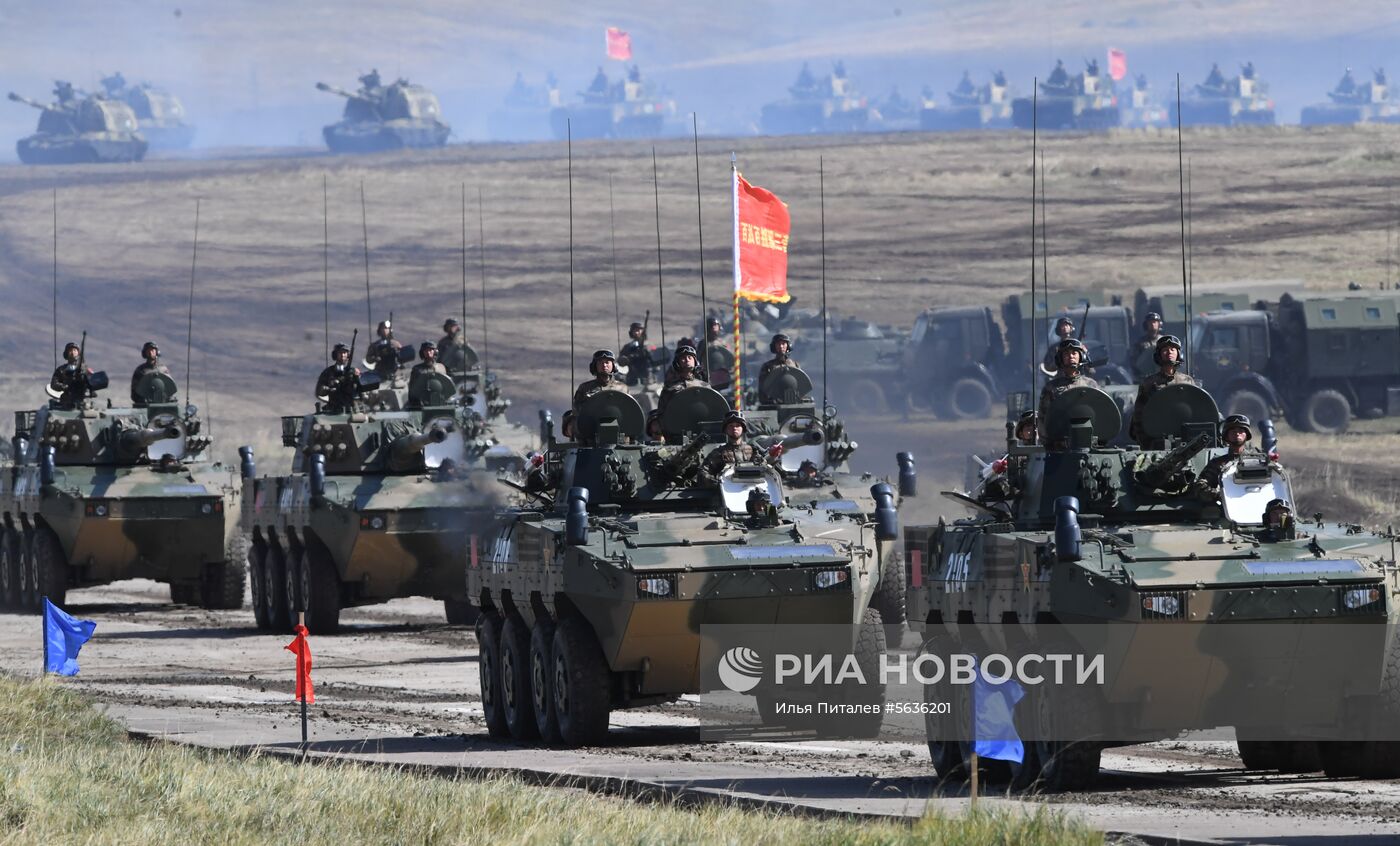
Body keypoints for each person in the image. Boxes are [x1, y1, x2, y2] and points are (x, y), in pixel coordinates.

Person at [1128, 335, 1196, 447]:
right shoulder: (1149, 383)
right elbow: (1138, 415)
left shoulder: (1187, 381)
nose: (1169, 352)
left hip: (1184, 439)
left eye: (1172, 349)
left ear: (1179, 354)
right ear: (1159, 355)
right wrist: (1145, 442)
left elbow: (1196, 411)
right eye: (1165, 350)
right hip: (1157, 438)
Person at [1037, 338, 1100, 444]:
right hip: (1059, 446)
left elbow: (1101, 414)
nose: (1071, 356)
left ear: (1081, 356)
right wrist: (1049, 444)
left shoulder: (1091, 385)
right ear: (1060, 359)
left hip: (1088, 444)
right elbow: (1043, 420)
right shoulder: (1051, 388)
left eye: (1074, 353)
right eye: (1066, 354)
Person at [700, 411, 778, 483]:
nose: (734, 428)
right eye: (730, 426)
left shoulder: (752, 451)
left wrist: (773, 457)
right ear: (726, 430)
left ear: (743, 429)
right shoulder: (718, 453)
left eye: (738, 425)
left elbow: (764, 468)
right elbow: (703, 473)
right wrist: (718, 483)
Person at [1198, 414, 1262, 493]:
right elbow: (1201, 486)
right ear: (1227, 436)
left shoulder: (1258, 461)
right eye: (1233, 431)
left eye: (1241, 431)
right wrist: (1218, 494)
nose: (1237, 433)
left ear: (1247, 435)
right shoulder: (1216, 463)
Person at [656, 345, 709, 419]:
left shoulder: (704, 386)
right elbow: (662, 413)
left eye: (690, 357)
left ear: (695, 361)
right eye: (683, 358)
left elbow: (710, 407)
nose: (687, 360)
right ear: (677, 363)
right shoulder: (670, 388)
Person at [315, 343, 361, 412]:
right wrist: (329, 388)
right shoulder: (328, 372)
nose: (342, 355)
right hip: (333, 409)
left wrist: (357, 378)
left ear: (348, 355)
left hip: (352, 410)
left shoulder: (353, 372)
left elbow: (362, 392)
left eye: (344, 353)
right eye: (340, 353)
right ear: (335, 355)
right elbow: (319, 392)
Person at [130, 341, 174, 406]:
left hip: (162, 405)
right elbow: (134, 391)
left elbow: (170, 387)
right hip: (145, 406)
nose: (151, 352)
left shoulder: (163, 369)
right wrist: (141, 399)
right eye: (148, 351)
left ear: (157, 352)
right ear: (145, 353)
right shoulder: (140, 370)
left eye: (153, 350)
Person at [49, 341, 88, 408]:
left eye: (75, 350)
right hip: (67, 401)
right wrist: (65, 386)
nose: (73, 353)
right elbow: (54, 384)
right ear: (66, 353)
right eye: (70, 350)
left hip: (83, 401)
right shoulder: (61, 370)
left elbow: (92, 382)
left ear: (78, 353)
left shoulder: (84, 369)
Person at [1129, 312, 1164, 378]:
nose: (1152, 324)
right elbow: (1134, 362)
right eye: (1150, 322)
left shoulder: (1164, 341)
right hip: (1145, 376)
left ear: (1159, 324)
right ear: (1146, 325)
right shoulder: (1140, 343)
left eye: (1155, 322)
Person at [620, 321, 651, 386]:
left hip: (647, 376)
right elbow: (621, 360)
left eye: (639, 330)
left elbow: (654, 357)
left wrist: (645, 352)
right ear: (632, 333)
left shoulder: (649, 345)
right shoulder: (628, 347)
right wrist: (625, 359)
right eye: (635, 330)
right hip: (632, 376)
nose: (637, 332)